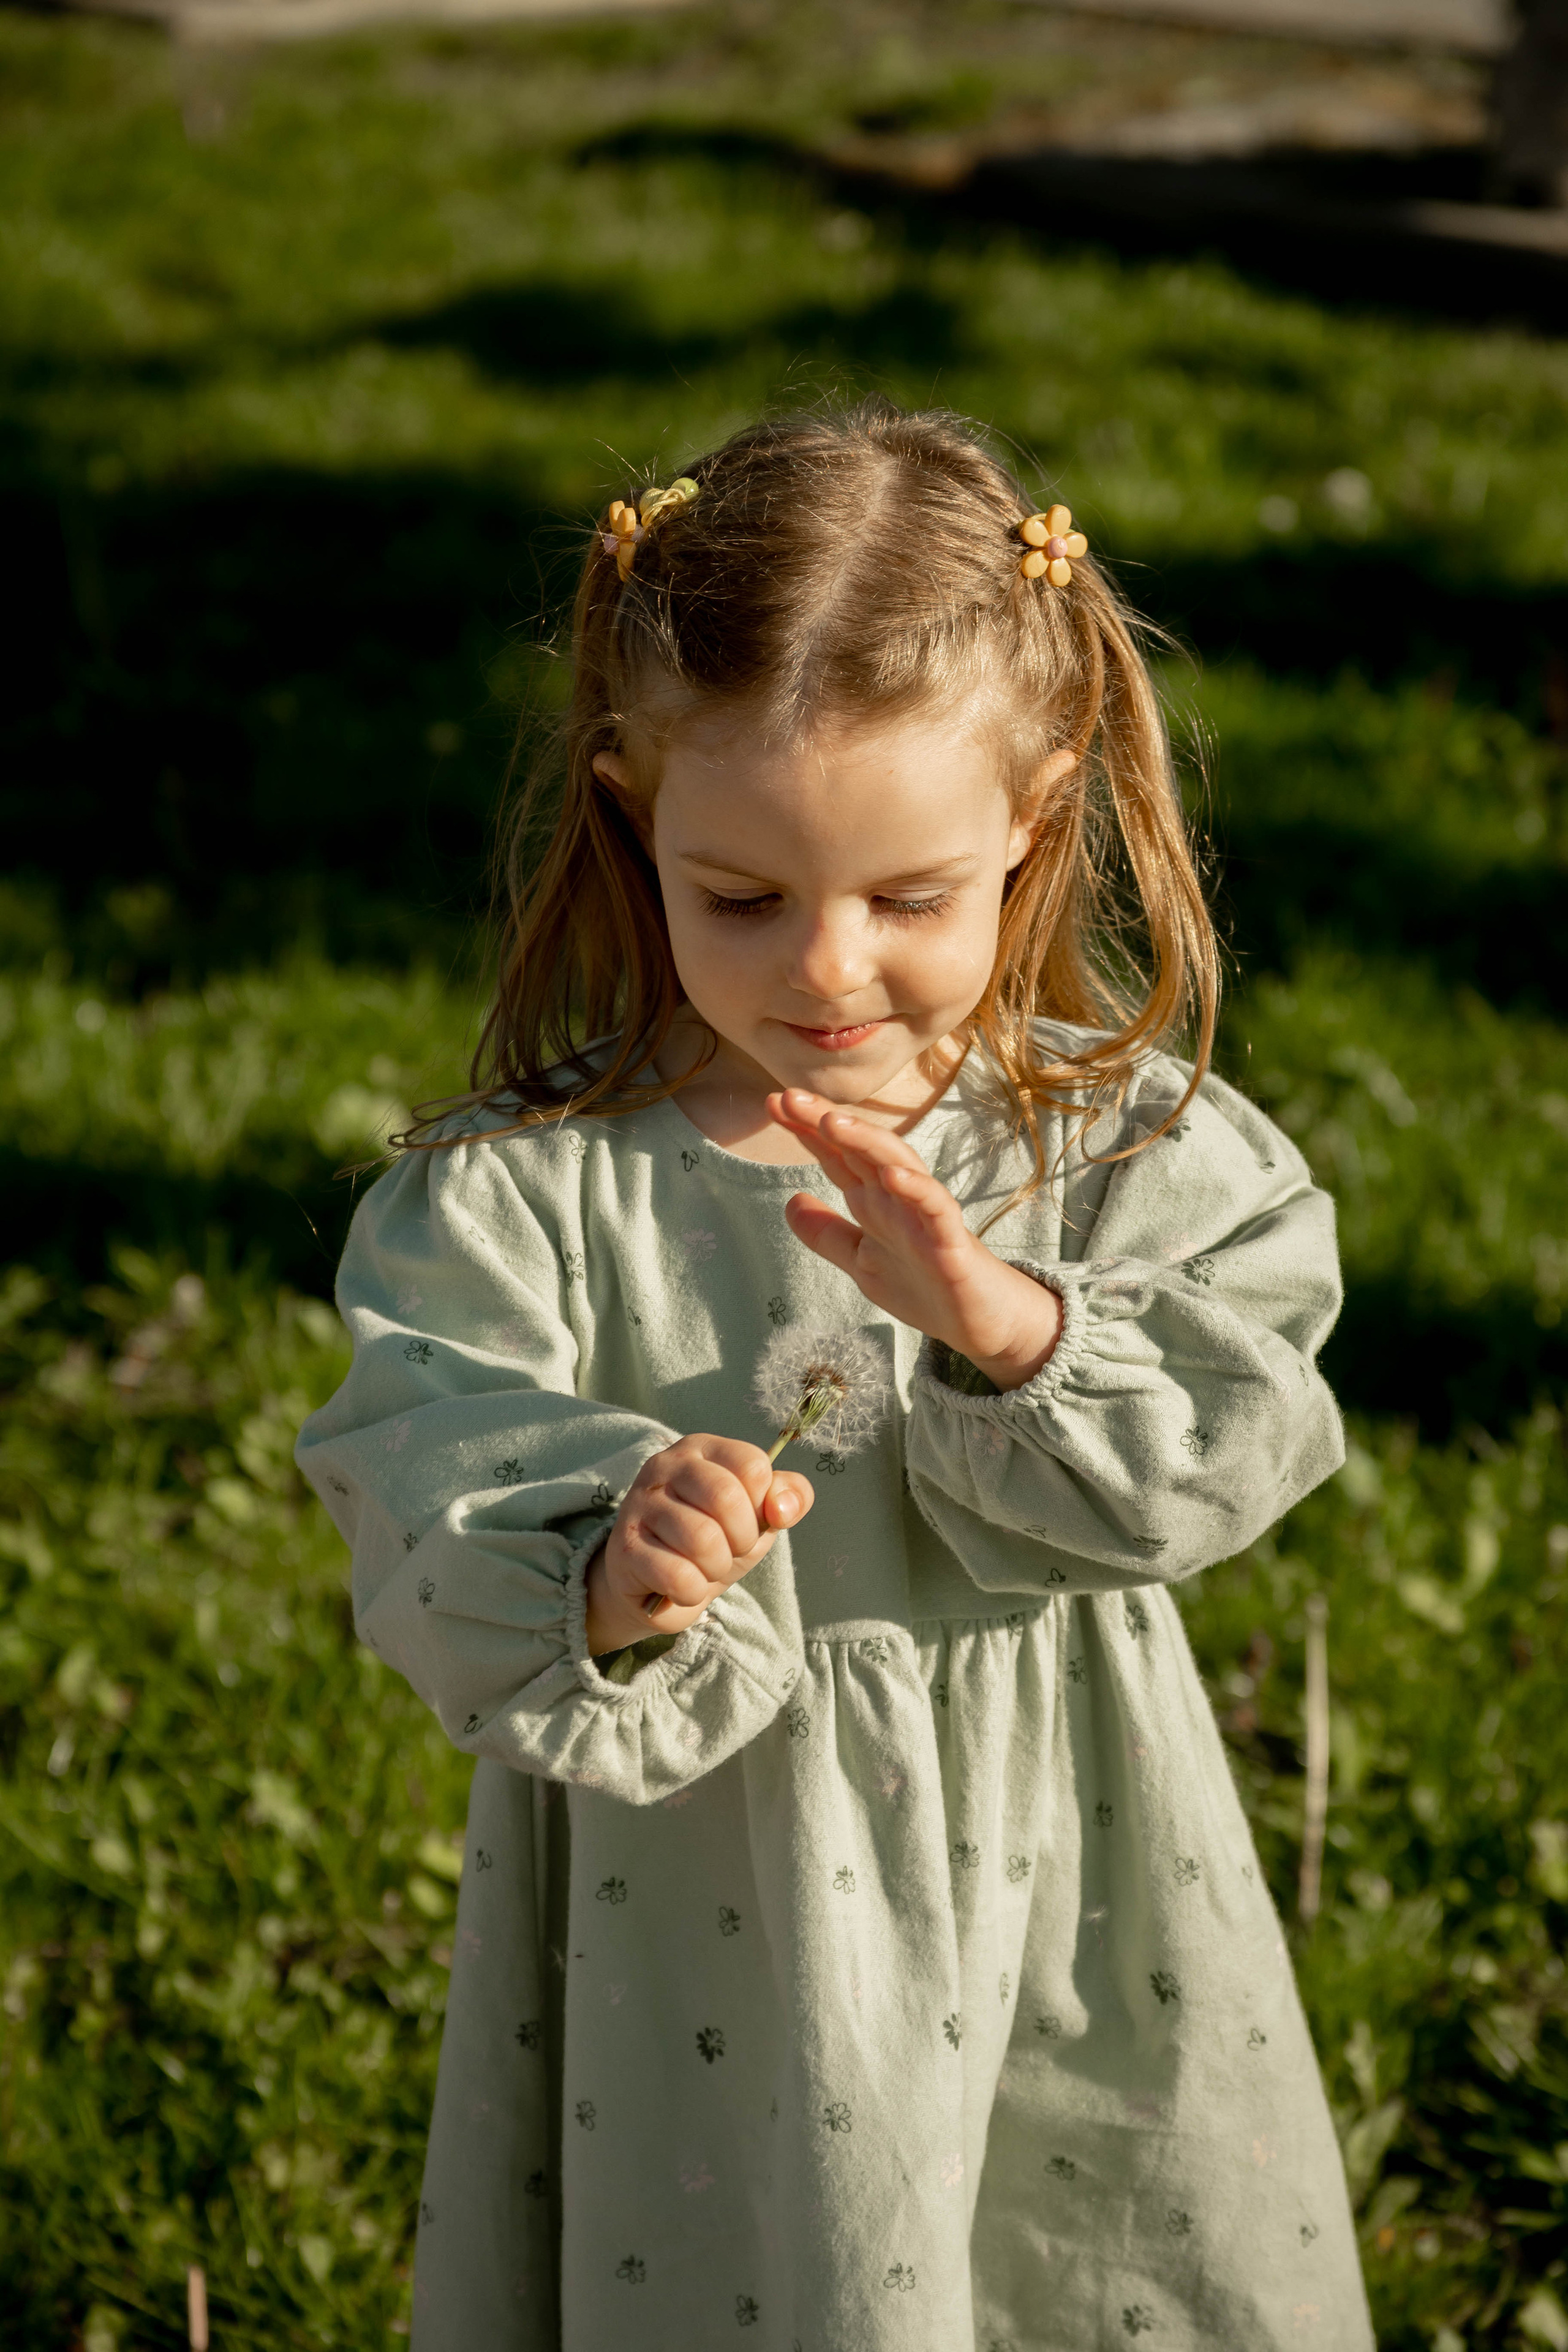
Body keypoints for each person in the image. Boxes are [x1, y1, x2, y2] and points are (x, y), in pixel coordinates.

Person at [295, 401, 1372, 2350]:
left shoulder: (1123, 1154)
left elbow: (1236, 1426)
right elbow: (422, 1462)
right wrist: (608, 1556)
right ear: (633, 810)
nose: (831, 967)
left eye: (910, 898)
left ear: (1034, 817)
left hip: (1066, 1858)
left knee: (1086, 2254)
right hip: (707, 1896)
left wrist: (1013, 1328)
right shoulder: (532, 1195)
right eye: (745, 897)